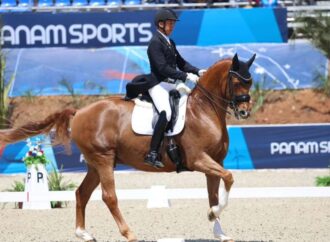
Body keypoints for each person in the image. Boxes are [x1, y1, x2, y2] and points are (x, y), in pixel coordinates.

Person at [144, 8, 206, 168]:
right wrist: (185, 77)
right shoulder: (155, 43)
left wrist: (198, 71)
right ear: (160, 24)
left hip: (170, 83)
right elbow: (162, 68)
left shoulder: (170, 42)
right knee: (166, 112)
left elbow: (182, 63)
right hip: (157, 83)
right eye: (170, 23)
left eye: (173, 23)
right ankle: (152, 153)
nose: (172, 26)